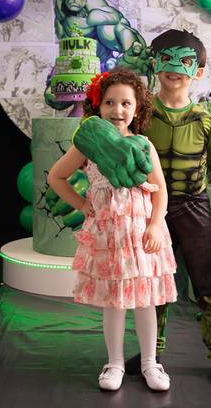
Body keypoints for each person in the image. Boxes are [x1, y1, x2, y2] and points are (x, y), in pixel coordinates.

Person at [72, 30, 211, 389]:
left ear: (199, 71)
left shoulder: (205, 119)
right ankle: (153, 356)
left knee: (207, 283)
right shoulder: (141, 115)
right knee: (152, 284)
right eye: (167, 58)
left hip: (192, 206)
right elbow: (108, 141)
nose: (175, 67)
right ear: (154, 63)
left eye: (185, 61)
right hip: (145, 211)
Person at [47, 68, 177, 392]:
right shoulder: (88, 146)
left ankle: (150, 362)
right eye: (109, 102)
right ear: (98, 105)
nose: (117, 110)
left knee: (146, 301)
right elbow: (56, 177)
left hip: (141, 233)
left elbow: (160, 189)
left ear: (137, 108)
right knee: (114, 302)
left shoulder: (143, 145)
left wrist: (155, 225)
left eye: (125, 103)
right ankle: (115, 362)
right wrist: (81, 204)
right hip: (109, 236)